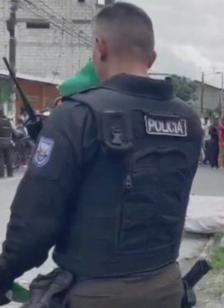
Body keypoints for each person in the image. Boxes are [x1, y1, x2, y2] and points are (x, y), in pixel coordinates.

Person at [0, 4, 203, 308]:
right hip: (166, 287)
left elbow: (34, 223)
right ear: (152, 57)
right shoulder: (188, 121)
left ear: (100, 47)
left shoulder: (76, 115)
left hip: (95, 295)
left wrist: (5, 274)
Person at [0, 110, 14, 178]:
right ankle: (10, 173)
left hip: (0, 141)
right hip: (8, 141)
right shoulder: (8, 122)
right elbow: (12, 131)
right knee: (8, 158)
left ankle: (1, 174)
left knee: (1, 158)